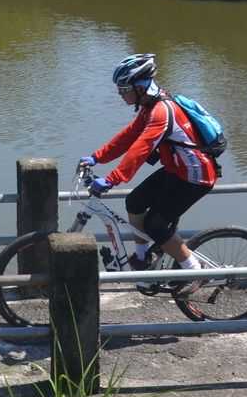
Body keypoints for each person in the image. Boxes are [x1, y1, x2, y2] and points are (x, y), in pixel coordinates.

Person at [80, 54, 217, 292]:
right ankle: (143, 259)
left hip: (196, 177)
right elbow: (128, 137)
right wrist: (96, 157)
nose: (120, 94)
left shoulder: (162, 113)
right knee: (134, 202)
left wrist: (111, 179)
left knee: (155, 225)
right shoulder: (149, 107)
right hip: (177, 171)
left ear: (140, 87)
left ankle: (196, 272)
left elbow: (141, 149)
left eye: (124, 88)